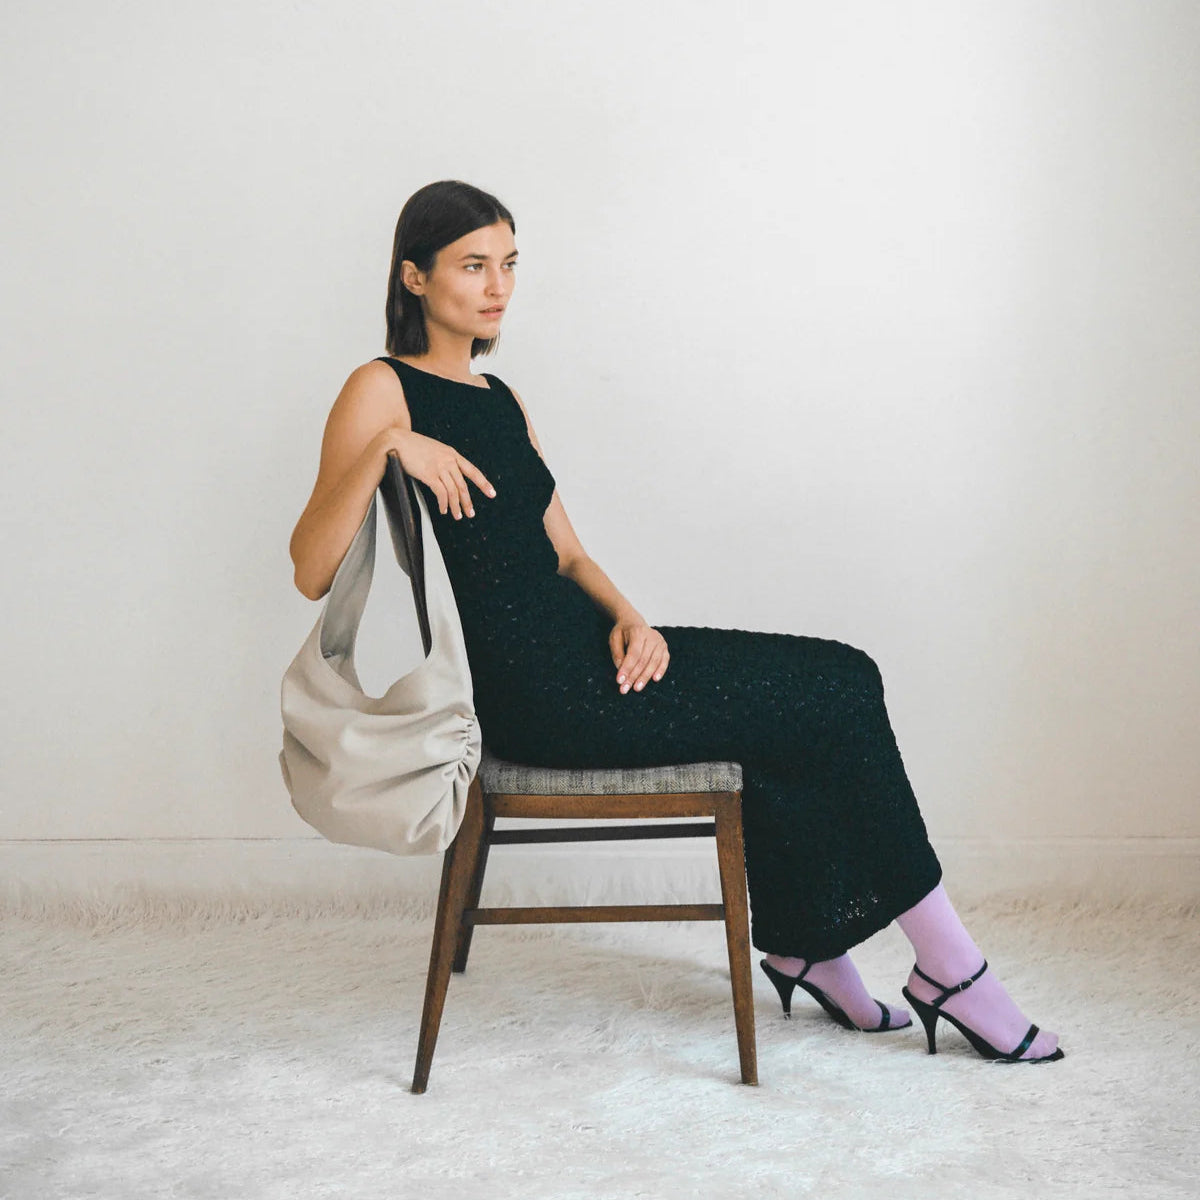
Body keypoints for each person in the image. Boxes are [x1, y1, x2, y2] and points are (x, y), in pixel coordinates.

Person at [289, 180, 1064, 1063]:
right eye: (473, 265)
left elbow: (569, 557)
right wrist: (389, 447)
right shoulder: (380, 389)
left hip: (591, 657)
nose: (497, 285)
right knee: (838, 687)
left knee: (831, 685)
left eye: (509, 264)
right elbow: (311, 567)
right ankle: (949, 971)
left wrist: (632, 619)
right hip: (540, 695)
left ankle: (810, 948)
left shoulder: (502, 399)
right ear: (415, 277)